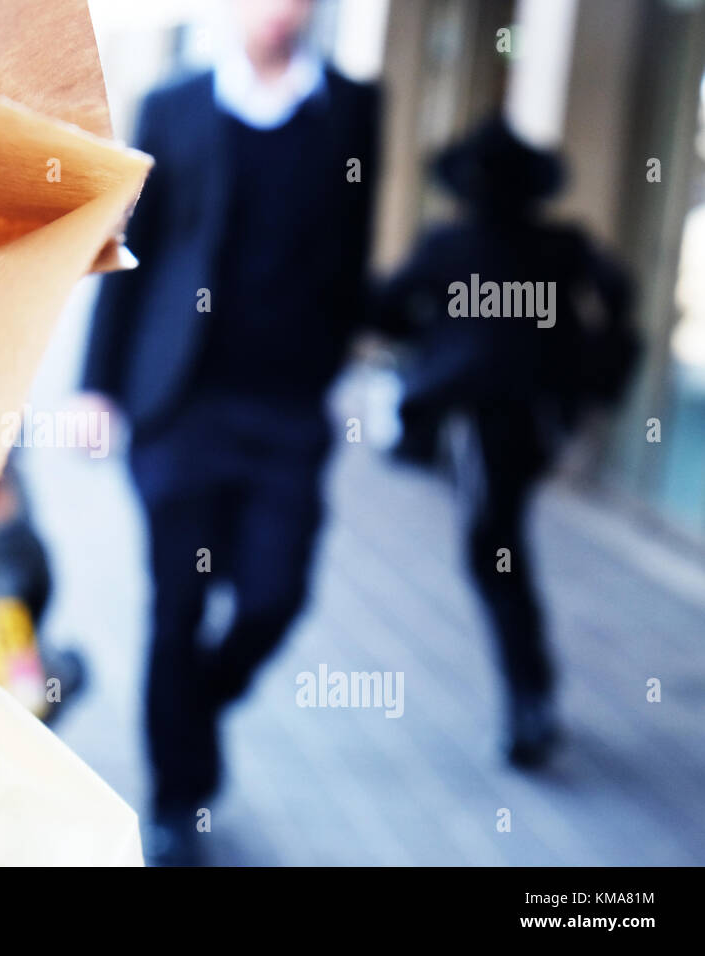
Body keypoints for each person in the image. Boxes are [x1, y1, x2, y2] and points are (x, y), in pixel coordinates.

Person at [81, 0, 379, 864]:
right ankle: (179, 801)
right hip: (180, 404)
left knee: (274, 597)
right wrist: (98, 386)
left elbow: (353, 252)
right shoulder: (176, 104)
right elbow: (130, 253)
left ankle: (197, 706)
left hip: (288, 409)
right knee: (176, 608)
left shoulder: (352, 109)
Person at [373, 116, 637, 768]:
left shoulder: (451, 244)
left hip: (488, 424)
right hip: (529, 424)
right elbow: (620, 295)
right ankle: (532, 695)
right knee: (500, 549)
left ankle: (530, 700)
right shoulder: (561, 246)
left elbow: (385, 309)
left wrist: (434, 345)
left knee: (494, 553)